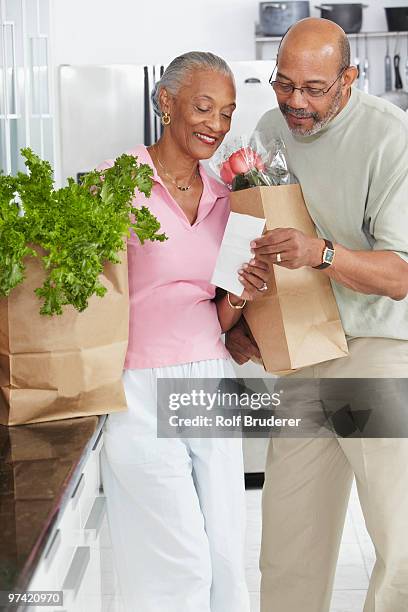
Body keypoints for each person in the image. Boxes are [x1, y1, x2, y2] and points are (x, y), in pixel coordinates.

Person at [226, 18, 408, 612]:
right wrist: (243, 319)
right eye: (284, 84)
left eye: (313, 89)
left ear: (348, 78)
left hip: (374, 354)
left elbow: (399, 275)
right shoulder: (266, 129)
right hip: (303, 352)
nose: (294, 102)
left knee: (399, 540)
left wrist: (322, 253)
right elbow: (247, 241)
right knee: (289, 541)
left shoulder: (390, 137)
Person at [99, 52, 270, 612]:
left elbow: (214, 314)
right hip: (137, 388)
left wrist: (241, 293)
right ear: (166, 102)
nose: (216, 126)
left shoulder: (229, 198)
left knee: (224, 555)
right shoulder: (113, 184)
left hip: (209, 378)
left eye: (227, 113)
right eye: (204, 107)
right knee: (177, 564)